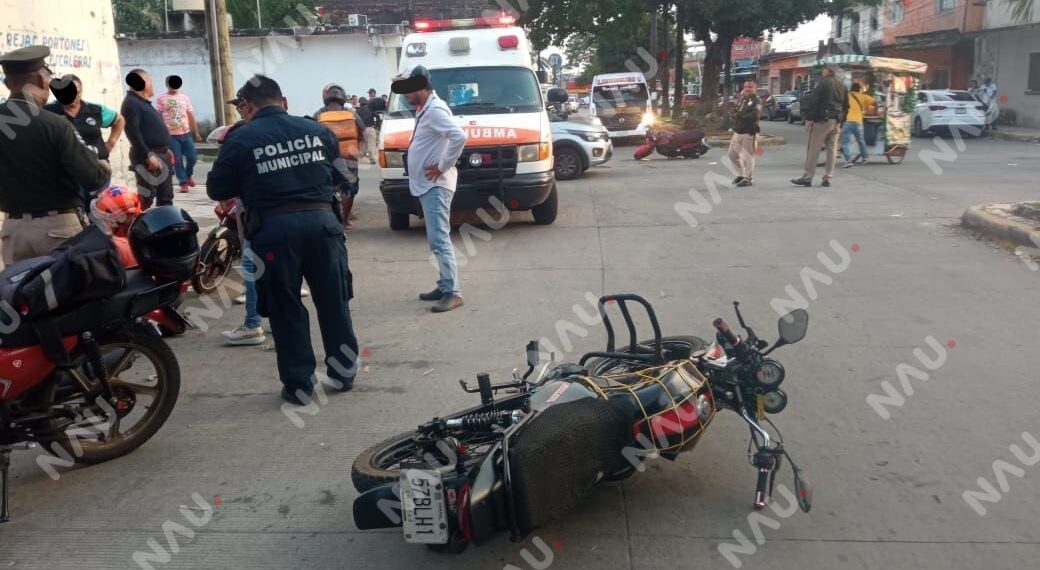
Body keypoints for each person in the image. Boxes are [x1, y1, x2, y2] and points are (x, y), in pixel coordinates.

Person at [207, 75, 359, 406]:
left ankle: (299, 385)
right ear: (284, 101)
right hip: (323, 226)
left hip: (274, 233)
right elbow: (344, 178)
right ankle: (344, 371)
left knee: (285, 306)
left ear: (247, 107)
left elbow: (217, 189)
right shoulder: (317, 131)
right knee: (334, 300)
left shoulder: (241, 138)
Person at [0, 45, 109, 265]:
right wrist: (101, 166)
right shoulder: (54, 124)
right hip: (57, 229)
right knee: (70, 295)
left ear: (7, 83)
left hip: (13, 231)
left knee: (20, 295)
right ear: (41, 81)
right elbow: (93, 178)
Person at [392, 64, 467, 313]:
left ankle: (453, 292)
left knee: (439, 239)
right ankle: (445, 284)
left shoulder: (433, 110)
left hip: (435, 185)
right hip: (428, 185)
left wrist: (443, 165)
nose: (404, 93)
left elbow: (458, 136)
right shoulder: (426, 109)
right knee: (436, 239)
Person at [45, 74, 125, 176]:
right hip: (63, 173)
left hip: (97, 169)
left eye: (77, 93)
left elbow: (119, 120)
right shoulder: (49, 111)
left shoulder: (95, 110)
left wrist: (110, 143)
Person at [121, 68, 175, 208]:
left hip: (161, 154)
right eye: (150, 81)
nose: (152, 85)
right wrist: (147, 155)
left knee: (166, 196)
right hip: (148, 157)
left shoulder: (143, 103)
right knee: (146, 198)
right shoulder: (131, 103)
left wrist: (165, 149)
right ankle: (136, 226)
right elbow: (133, 133)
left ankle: (164, 226)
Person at [314, 84, 365, 227]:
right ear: (343, 97)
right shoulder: (352, 114)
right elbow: (362, 132)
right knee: (349, 188)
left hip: (326, 157)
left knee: (327, 187)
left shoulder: (318, 114)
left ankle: (331, 219)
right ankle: (345, 220)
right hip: (349, 156)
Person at [791, 65, 848, 188]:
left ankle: (808, 177)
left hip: (822, 120)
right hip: (836, 120)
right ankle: (827, 177)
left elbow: (814, 101)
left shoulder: (823, 83)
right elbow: (846, 105)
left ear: (828, 70)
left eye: (823, 69)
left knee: (813, 149)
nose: (822, 71)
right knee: (832, 150)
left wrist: (809, 119)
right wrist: (841, 121)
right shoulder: (842, 86)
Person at [155, 75, 203, 193]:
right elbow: (157, 116)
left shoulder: (185, 98)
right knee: (177, 160)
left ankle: (188, 175)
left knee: (192, 157)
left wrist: (196, 132)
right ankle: (183, 182)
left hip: (185, 133)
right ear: (167, 85)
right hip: (171, 135)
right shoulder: (161, 98)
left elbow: (190, 115)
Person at [90, 184, 143, 267]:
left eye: (106, 220)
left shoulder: (122, 249)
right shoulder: (149, 228)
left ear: (121, 219)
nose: (106, 223)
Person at [729, 80, 760, 188]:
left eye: (750, 87)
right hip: (738, 131)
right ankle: (741, 174)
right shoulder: (742, 99)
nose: (747, 88)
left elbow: (754, 115)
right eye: (746, 86)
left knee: (748, 156)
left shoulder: (757, 100)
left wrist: (739, 115)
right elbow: (736, 111)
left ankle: (748, 178)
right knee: (732, 154)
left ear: (755, 88)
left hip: (749, 132)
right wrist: (734, 113)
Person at [840, 82, 876, 168]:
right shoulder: (862, 96)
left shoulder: (847, 96)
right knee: (861, 140)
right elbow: (874, 102)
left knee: (846, 142)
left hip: (848, 121)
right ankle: (865, 158)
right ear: (859, 89)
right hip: (858, 122)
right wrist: (872, 110)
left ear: (851, 88)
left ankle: (848, 161)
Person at [356, 97, 378, 165]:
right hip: (370, 128)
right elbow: (377, 116)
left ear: (359, 103)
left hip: (361, 130)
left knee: (363, 144)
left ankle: (359, 156)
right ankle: (372, 159)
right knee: (372, 144)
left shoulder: (357, 111)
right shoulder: (370, 109)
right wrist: (376, 124)